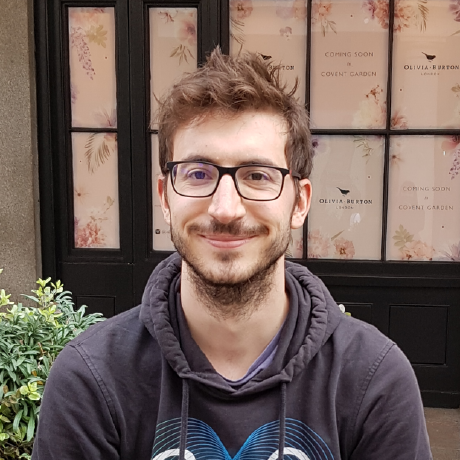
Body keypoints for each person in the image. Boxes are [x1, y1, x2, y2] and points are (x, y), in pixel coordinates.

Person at [32, 48, 432, 460]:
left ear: (299, 203)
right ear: (165, 197)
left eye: (257, 175)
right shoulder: (92, 380)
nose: (225, 209)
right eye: (198, 174)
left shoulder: (373, 379)